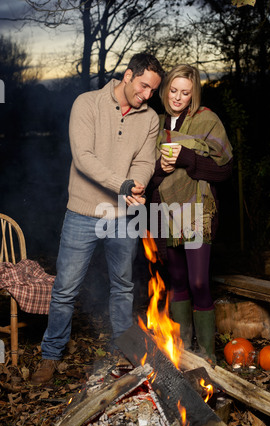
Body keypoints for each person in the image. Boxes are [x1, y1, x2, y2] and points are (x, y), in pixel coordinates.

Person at [31, 53, 164, 385]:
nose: (147, 95)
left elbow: (146, 160)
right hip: (82, 211)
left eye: (153, 90)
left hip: (123, 216)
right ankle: (51, 355)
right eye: (144, 86)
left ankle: (125, 351)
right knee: (65, 289)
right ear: (127, 75)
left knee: (122, 286)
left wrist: (138, 184)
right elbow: (83, 157)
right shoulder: (86, 103)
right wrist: (121, 185)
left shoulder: (149, 118)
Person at [149, 64, 233, 361]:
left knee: (198, 281)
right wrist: (161, 167)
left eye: (186, 92)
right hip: (164, 211)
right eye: (173, 90)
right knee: (177, 280)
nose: (178, 97)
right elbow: (145, 174)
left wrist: (187, 158)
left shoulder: (207, 119)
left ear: (193, 94)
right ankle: (183, 353)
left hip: (196, 209)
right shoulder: (154, 123)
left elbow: (224, 170)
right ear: (164, 89)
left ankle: (207, 357)